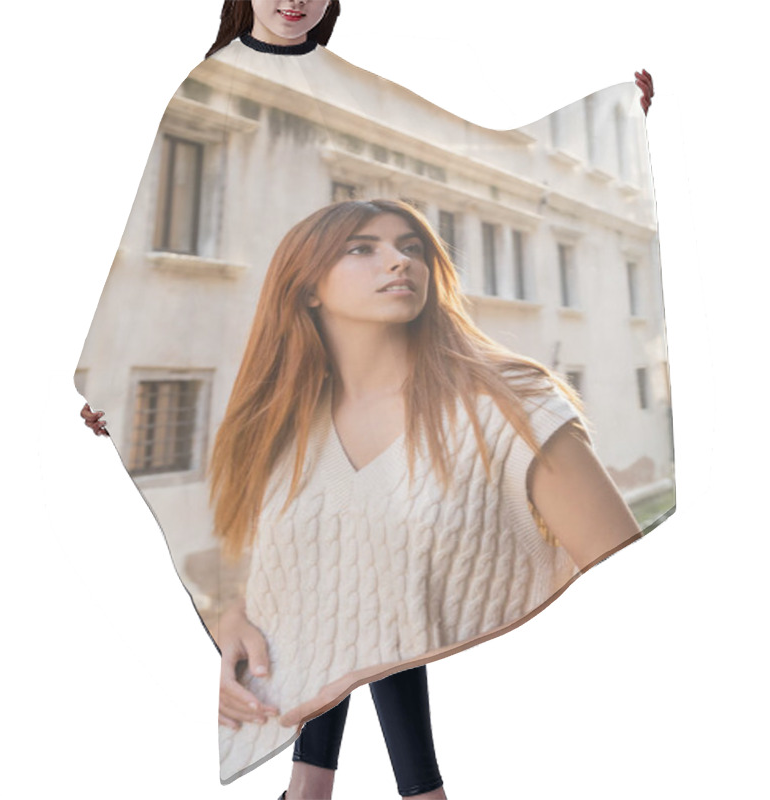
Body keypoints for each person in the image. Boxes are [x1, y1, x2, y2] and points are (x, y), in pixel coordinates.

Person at [77, 3, 657, 797]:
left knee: (384, 582)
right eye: (363, 249)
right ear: (307, 288)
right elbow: (309, 571)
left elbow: (629, 590)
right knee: (364, 572)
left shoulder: (510, 404)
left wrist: (613, 110)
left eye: (412, 247)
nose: (399, 263)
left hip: (540, 699)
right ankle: (325, 788)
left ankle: (366, 789)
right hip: (318, 651)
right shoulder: (291, 426)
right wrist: (232, 617)